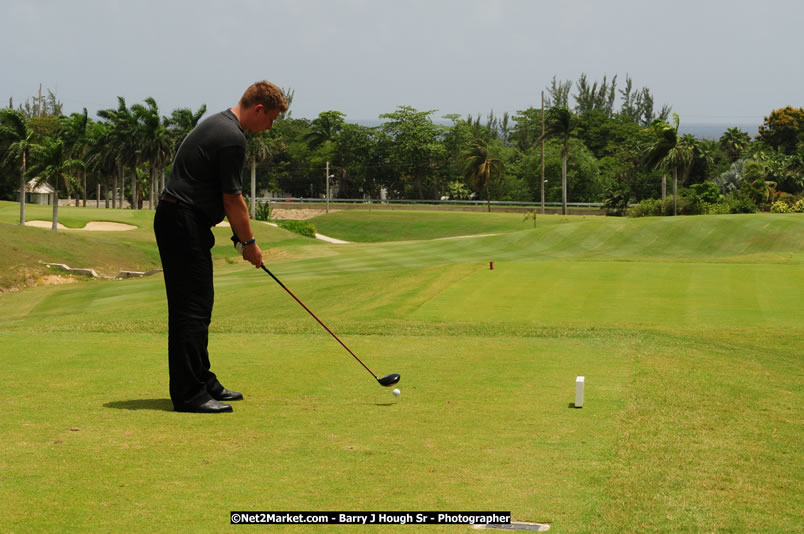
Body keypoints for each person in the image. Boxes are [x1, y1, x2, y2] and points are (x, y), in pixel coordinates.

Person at [154, 81, 288, 413]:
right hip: (181, 221)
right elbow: (233, 199)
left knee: (199, 307)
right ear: (258, 110)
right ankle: (189, 395)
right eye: (270, 119)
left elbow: (212, 190)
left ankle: (202, 381)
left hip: (185, 221)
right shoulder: (232, 137)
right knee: (191, 311)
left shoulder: (221, 125)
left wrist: (240, 239)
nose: (270, 127)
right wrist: (249, 243)